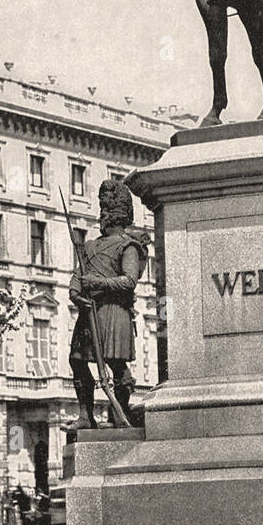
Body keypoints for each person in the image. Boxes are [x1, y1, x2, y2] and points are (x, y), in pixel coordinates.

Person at [69, 179, 149, 429]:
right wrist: (74, 291)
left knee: (116, 364)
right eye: (102, 209)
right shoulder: (91, 245)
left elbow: (129, 281)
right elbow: (78, 273)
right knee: (77, 361)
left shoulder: (129, 245)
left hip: (114, 311)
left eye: (107, 210)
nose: (102, 214)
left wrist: (97, 282)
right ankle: (86, 415)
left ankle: (119, 411)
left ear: (118, 215)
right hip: (89, 311)